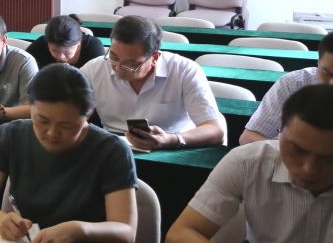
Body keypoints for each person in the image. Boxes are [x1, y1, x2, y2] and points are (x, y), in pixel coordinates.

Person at [167, 84, 333, 243]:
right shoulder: (248, 162)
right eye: (298, 150)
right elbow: (180, 236)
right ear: (281, 129)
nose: (309, 168)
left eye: (330, 158)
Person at [0, 63, 138, 243]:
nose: (52, 133)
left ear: (88, 114)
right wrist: (1, 220)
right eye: (42, 120)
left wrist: (79, 230)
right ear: (30, 107)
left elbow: (126, 230)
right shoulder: (10, 135)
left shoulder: (112, 150)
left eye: (67, 125)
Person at [82, 15, 226, 150]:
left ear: (155, 57)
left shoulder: (184, 70)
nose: (118, 67)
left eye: (131, 64)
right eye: (114, 57)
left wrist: (172, 139)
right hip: (113, 146)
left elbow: (215, 131)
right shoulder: (94, 69)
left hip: (173, 145)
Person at [241, 30, 333, 144]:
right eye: (327, 73)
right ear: (318, 62)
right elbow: (248, 138)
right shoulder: (294, 83)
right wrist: (292, 150)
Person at [26, 14, 104, 69]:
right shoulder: (41, 44)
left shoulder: (93, 48)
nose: (61, 57)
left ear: (78, 43)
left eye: (67, 52)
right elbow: (24, 64)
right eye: (54, 51)